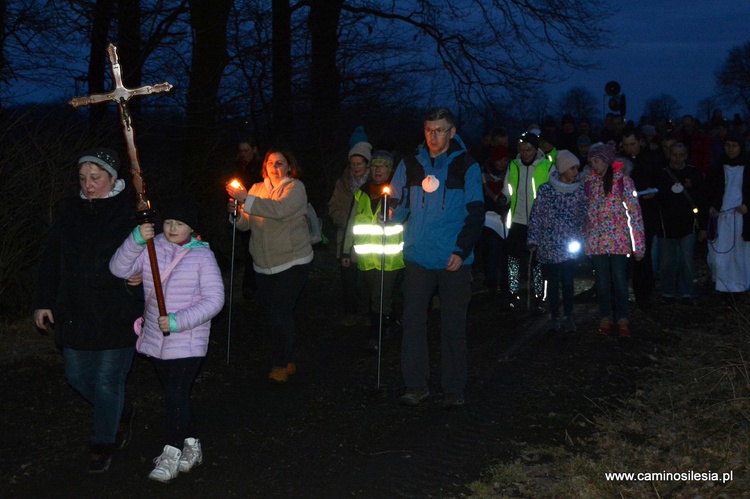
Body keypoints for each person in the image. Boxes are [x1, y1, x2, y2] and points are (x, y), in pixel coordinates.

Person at [32, 147, 142, 473]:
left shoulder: (131, 210)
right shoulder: (68, 210)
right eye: (82, 178)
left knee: (108, 381)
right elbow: (51, 259)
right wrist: (43, 301)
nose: (88, 184)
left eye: (95, 178)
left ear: (112, 178)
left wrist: (142, 274)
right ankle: (119, 411)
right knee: (77, 376)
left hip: (118, 308)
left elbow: (158, 252)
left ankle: (102, 443)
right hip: (75, 308)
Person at [109, 197, 224, 483]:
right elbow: (118, 269)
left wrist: (176, 321)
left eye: (180, 224)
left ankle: (171, 453)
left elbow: (215, 300)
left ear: (191, 228)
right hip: (154, 339)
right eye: (168, 222)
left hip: (189, 339)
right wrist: (136, 239)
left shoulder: (202, 256)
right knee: (178, 395)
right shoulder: (153, 246)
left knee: (174, 394)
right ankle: (193, 445)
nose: (172, 228)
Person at [389, 107, 484, 408]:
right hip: (418, 256)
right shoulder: (409, 164)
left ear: (452, 132)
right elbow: (398, 205)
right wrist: (388, 214)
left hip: (452, 260)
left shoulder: (466, 166)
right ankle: (416, 385)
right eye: (429, 129)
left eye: (440, 129)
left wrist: (461, 251)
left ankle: (454, 388)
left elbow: (475, 213)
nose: (433, 135)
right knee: (413, 321)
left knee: (453, 324)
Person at [226, 148, 313, 383]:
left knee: (279, 313)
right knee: (275, 314)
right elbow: (246, 225)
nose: (275, 168)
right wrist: (236, 213)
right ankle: (289, 357)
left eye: (280, 163)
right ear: (264, 166)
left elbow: (280, 211)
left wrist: (246, 199)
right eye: (271, 163)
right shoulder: (256, 189)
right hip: (263, 265)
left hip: (293, 261)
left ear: (288, 167)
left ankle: (281, 363)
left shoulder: (295, 188)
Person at [342, 150, 404, 351]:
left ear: (390, 170)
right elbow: (351, 223)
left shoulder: (399, 195)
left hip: (390, 258)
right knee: (372, 295)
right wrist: (346, 252)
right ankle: (390, 319)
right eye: (375, 165)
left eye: (383, 165)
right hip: (366, 258)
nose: (378, 169)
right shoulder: (361, 194)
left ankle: (376, 336)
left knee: (380, 296)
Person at [584, 142, 645, 337]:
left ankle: (623, 318)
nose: (594, 165)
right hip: (597, 242)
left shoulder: (623, 182)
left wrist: (638, 245)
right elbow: (586, 216)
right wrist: (586, 240)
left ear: (607, 160)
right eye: (591, 161)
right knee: (602, 281)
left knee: (619, 280)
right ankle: (606, 316)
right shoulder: (589, 183)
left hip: (618, 242)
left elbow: (634, 214)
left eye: (597, 160)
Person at [527, 150, 586, 333]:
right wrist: (533, 238)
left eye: (577, 168)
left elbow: (584, 217)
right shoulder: (546, 190)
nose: (576, 172)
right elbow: (536, 215)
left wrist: (583, 239)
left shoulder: (579, 191)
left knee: (568, 281)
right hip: (549, 244)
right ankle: (554, 316)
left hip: (569, 245)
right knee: (552, 282)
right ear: (562, 169)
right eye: (572, 168)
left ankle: (568, 316)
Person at [501, 131, 554, 312]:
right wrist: (503, 198)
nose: (525, 153)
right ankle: (513, 294)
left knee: (539, 262)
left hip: (538, 222)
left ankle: (540, 296)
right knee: (513, 260)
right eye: (522, 150)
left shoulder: (547, 167)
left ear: (535, 149)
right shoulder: (513, 165)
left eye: (528, 150)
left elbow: (554, 192)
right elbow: (507, 189)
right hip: (517, 220)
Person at [655, 143, 707, 304]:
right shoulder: (661, 174)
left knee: (687, 261)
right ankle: (668, 292)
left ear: (686, 156)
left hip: (688, 227)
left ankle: (686, 293)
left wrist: (703, 227)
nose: (677, 158)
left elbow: (702, 200)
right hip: (666, 228)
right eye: (674, 155)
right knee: (667, 263)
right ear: (669, 155)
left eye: (681, 155)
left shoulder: (693, 173)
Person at [328, 141, 372, 326]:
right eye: (352, 164)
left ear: (367, 164)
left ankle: (372, 314)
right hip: (346, 239)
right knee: (348, 279)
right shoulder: (342, 183)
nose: (355, 168)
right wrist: (346, 221)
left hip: (369, 240)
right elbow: (333, 207)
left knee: (369, 280)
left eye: (359, 164)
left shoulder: (375, 184)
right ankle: (351, 313)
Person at [621, 127, 661, 309]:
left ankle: (644, 294)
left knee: (643, 255)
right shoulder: (620, 161)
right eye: (627, 145)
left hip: (646, 213)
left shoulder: (651, 159)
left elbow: (660, 183)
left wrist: (653, 192)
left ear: (640, 142)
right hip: (625, 215)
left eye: (633, 144)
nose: (630, 149)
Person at [706, 132, 750, 297]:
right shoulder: (717, 168)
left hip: (741, 218)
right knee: (719, 253)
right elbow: (709, 191)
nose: (731, 149)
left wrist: (747, 205)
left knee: (740, 253)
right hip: (722, 218)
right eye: (728, 146)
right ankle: (722, 284)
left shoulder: (747, 167)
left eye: (734, 146)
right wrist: (712, 207)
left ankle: (740, 286)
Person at [231, 137, 263, 299]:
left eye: (246, 151)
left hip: (258, 214)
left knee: (256, 250)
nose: (243, 154)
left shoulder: (260, 169)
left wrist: (246, 196)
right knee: (247, 250)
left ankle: (255, 286)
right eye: (241, 151)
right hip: (241, 213)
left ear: (254, 149)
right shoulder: (237, 167)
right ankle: (249, 287)